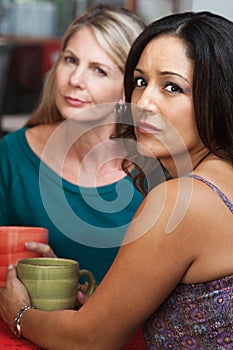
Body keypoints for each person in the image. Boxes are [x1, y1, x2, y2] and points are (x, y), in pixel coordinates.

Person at [2, 9, 233, 349]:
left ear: (217, 97)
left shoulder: (182, 199)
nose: (143, 103)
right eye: (140, 82)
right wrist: (98, 301)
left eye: (172, 87)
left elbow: (90, 340)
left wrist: (18, 312)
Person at [0, 4, 152, 349]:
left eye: (98, 70)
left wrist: (88, 299)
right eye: (70, 60)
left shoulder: (154, 170)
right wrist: (44, 281)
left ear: (127, 90)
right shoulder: (11, 153)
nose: (75, 80)